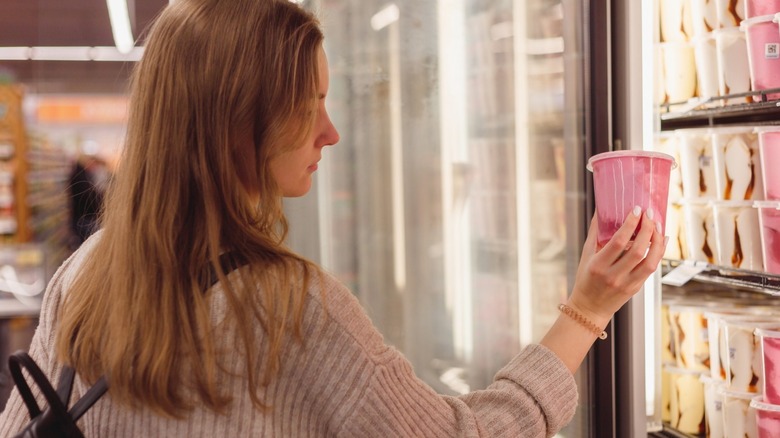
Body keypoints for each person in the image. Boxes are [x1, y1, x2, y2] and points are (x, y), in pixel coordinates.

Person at [0, 0, 666, 436]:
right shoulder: (285, 307)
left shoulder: (84, 273)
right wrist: (587, 309)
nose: (331, 132)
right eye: (308, 103)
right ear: (238, 122)